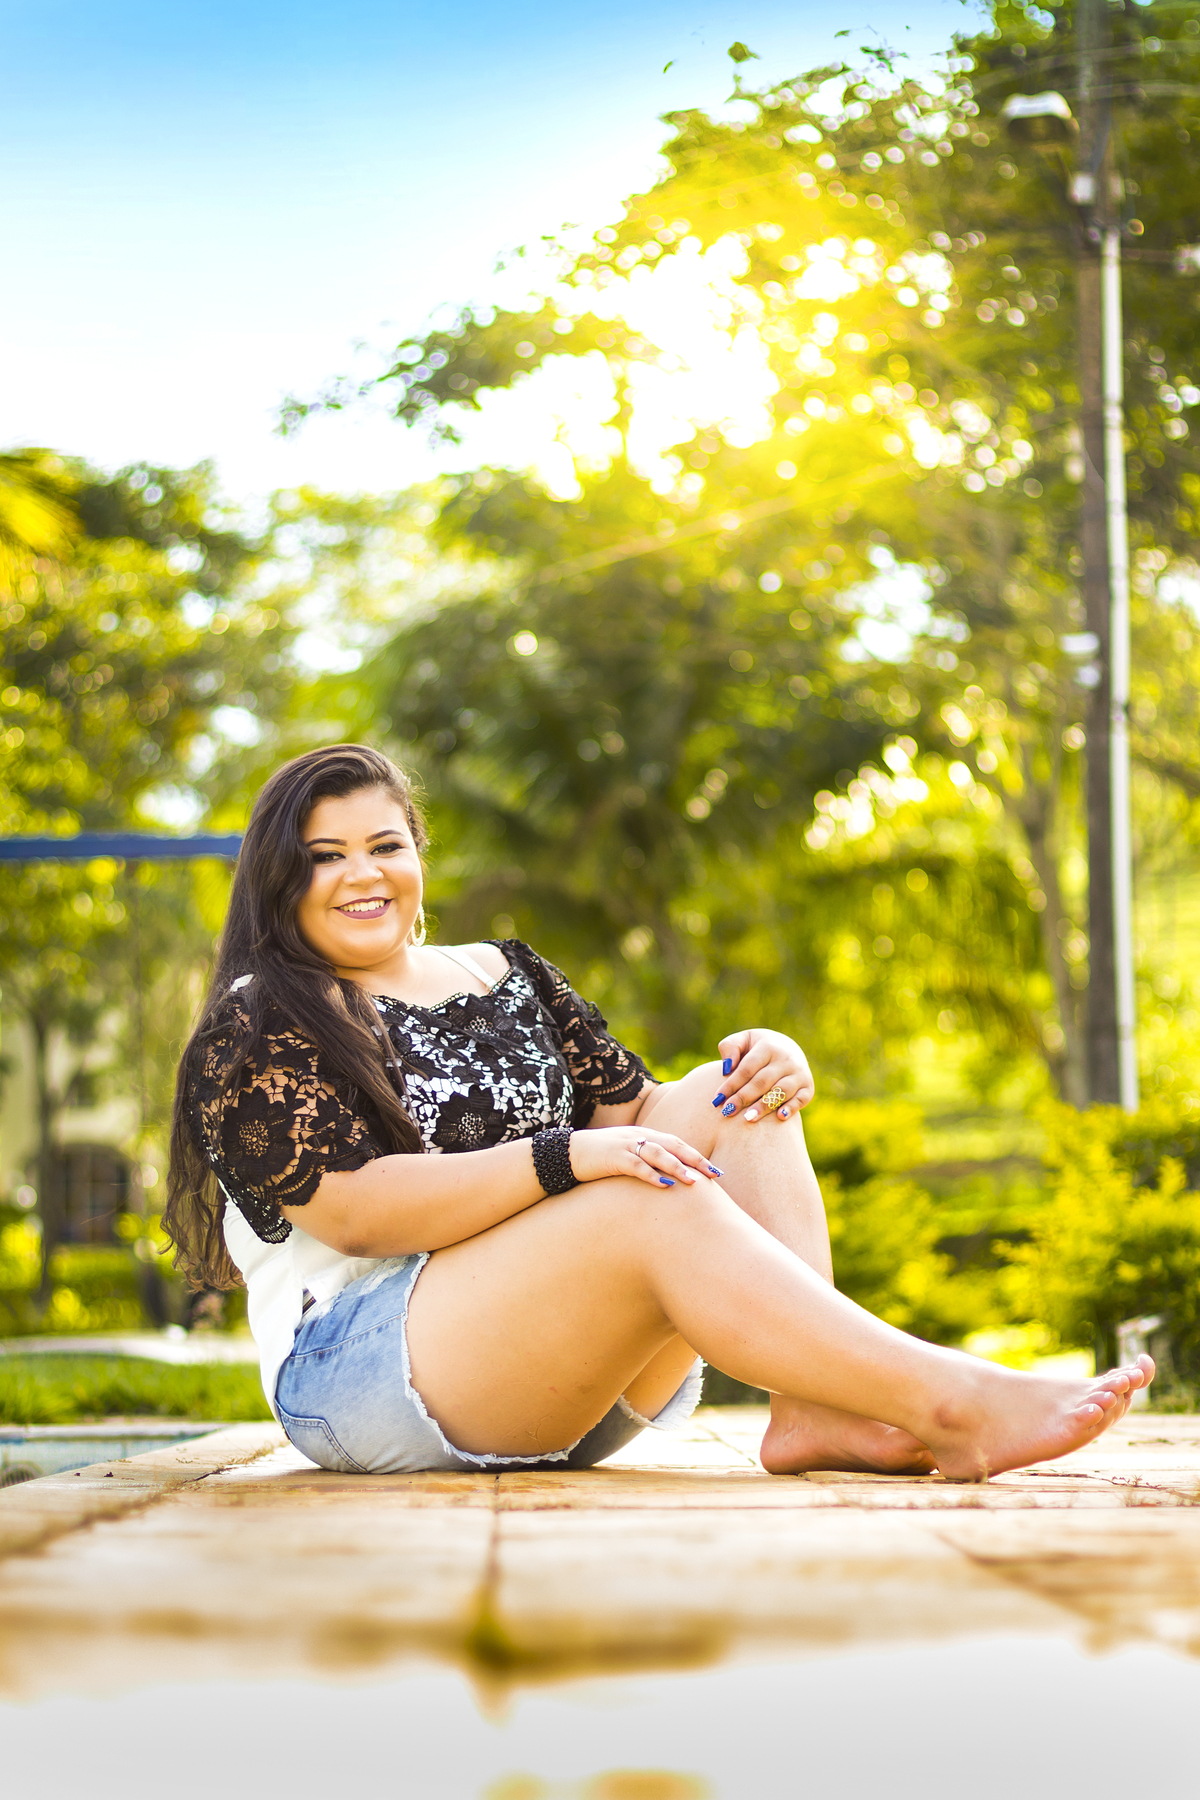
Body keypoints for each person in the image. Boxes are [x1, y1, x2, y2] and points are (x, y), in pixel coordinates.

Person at [165, 743, 1152, 1482]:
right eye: (324, 856)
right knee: (639, 1188)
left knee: (735, 1098)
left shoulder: (506, 973)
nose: (363, 873)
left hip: (568, 1376)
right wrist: (564, 1159)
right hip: (362, 1373)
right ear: (281, 880)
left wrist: (766, 1060)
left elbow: (642, 1113)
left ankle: (817, 1409)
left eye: (385, 845)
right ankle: (953, 1399)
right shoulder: (258, 1018)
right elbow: (354, 1211)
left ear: (418, 855)